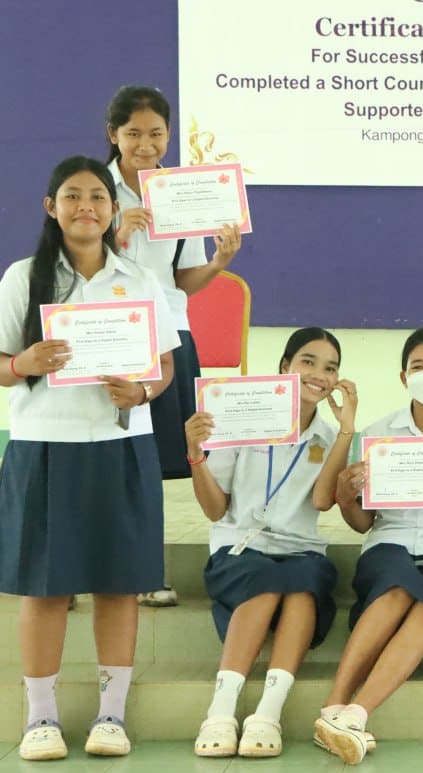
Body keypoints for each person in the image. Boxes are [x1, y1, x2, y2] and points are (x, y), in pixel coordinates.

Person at [0, 155, 180, 760]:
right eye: (72, 196)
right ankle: (41, 719)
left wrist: (142, 391)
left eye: (97, 195)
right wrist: (23, 364)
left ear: (114, 208)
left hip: (121, 446)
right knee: (45, 588)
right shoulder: (23, 277)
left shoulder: (139, 281)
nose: (85, 206)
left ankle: (110, 716)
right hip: (45, 446)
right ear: (51, 207)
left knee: (119, 586)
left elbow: (165, 366)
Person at [315, 329, 423, 765]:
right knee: (396, 589)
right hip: (389, 546)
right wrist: (345, 495)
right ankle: (334, 705)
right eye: (418, 367)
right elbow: (363, 523)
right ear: (402, 377)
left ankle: (354, 714)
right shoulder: (379, 434)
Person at [105, 84, 243, 607]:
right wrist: (114, 233)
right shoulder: (93, 189)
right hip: (109, 334)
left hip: (167, 333)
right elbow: (70, 265)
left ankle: (145, 570)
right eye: (134, 133)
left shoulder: (179, 192)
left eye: (156, 133)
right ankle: (78, 568)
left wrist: (219, 263)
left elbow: (181, 280)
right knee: (98, 456)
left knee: (150, 461)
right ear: (113, 135)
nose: (145, 144)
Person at [187, 327, 355, 758]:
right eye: (308, 362)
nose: (319, 374)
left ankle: (268, 714)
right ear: (285, 367)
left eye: (330, 368)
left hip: (300, 550)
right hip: (241, 547)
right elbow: (213, 508)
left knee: (302, 585)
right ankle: (220, 712)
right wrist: (195, 455)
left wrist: (345, 430)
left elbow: (322, 499)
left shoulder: (327, 437)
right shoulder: (243, 418)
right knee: (264, 582)